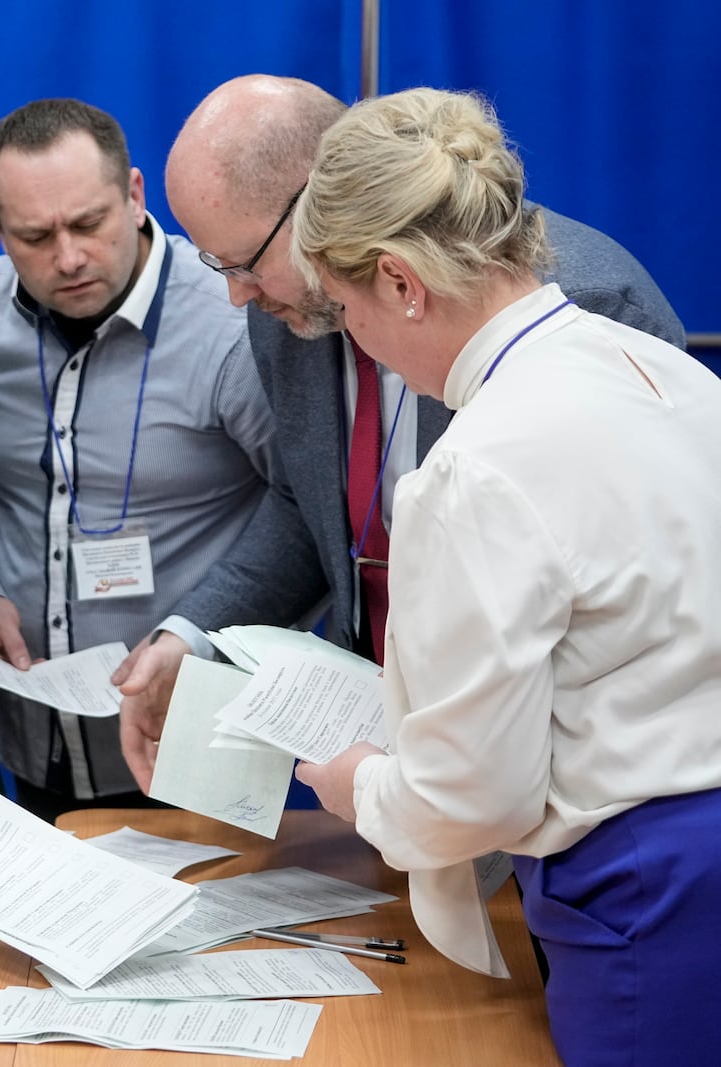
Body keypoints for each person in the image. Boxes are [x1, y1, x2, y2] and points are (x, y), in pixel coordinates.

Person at [282, 87, 721, 1066]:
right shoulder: (674, 375)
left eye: (345, 309)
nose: (358, 341)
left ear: (398, 283)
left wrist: (359, 786)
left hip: (646, 877)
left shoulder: (476, 462)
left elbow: (473, 795)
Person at [117, 74, 685, 791]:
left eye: (245, 263)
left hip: (572, 783)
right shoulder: (285, 318)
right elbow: (308, 503)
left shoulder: (592, 311)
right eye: (217, 267)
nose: (238, 296)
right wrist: (195, 634)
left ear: (325, 193)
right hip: (389, 770)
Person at [0, 98, 277, 820]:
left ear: (133, 196)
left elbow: (310, 515)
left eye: (88, 223)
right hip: (37, 742)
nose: (67, 258)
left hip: (198, 742)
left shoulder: (236, 322)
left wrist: (197, 631)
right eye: (34, 235)